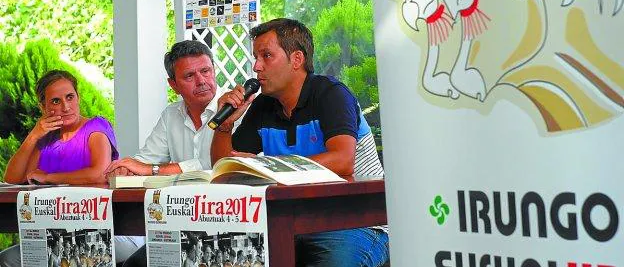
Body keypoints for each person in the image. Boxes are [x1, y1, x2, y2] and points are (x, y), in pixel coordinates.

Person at [211, 18, 388, 267]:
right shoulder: (263, 105)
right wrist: (225, 126)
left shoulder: (332, 94)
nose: (256, 67)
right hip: (290, 222)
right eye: (255, 57)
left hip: (357, 221)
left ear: (296, 59)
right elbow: (223, 168)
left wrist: (266, 167)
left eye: (266, 56)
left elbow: (342, 162)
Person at [0, 70, 142, 266]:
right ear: (43, 106)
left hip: (114, 231)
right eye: (56, 101)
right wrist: (33, 136)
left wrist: (50, 177)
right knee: (7, 259)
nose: (66, 107)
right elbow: (12, 178)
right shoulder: (45, 141)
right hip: (60, 233)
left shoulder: (96, 127)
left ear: (78, 97)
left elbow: (99, 174)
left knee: (72, 255)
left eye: (70, 97)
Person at [105, 40, 222, 267]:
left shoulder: (236, 106)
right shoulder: (171, 115)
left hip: (227, 220)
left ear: (213, 70)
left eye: (206, 71)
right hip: (179, 221)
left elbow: (217, 165)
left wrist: (150, 169)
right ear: (173, 85)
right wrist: (125, 168)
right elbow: (144, 161)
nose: (201, 81)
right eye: (189, 76)